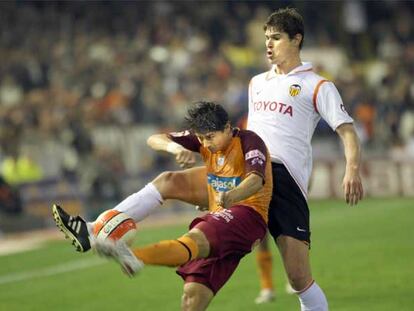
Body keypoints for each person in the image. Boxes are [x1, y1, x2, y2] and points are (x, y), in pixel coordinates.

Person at [53, 101, 273, 311]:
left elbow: (255, 180)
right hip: (222, 216)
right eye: (201, 139)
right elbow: (154, 139)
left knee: (195, 238)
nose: (205, 144)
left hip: (247, 216)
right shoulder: (205, 140)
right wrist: (174, 149)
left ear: (227, 128)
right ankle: (92, 230)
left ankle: (135, 257)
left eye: (210, 138)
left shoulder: (249, 141)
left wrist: (233, 196)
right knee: (192, 296)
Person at [246, 8, 364, 311]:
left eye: (276, 38)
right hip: (252, 175)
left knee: (298, 277)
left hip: (287, 181)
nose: (268, 45)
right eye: (266, 39)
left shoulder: (317, 85)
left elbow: (348, 132)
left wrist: (352, 170)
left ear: (296, 39)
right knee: (213, 246)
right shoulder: (256, 82)